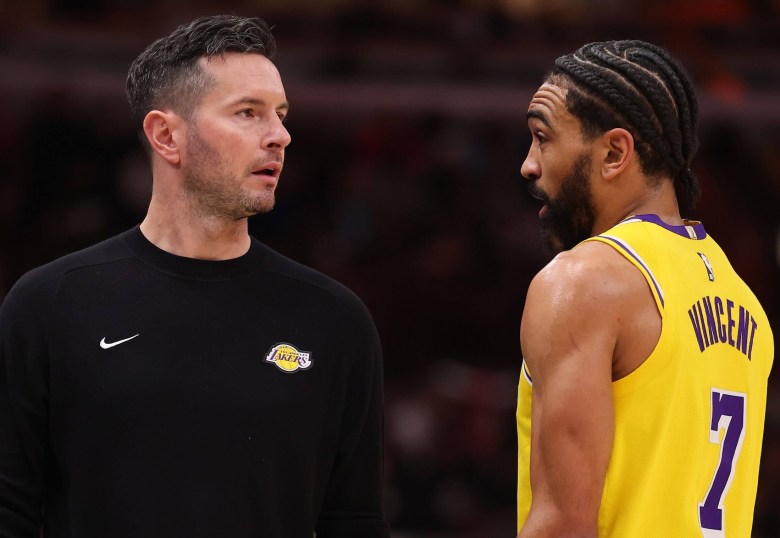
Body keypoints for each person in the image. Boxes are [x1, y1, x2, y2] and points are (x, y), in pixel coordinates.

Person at [0, 15, 390, 538]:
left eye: (281, 114)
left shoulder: (335, 319)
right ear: (166, 135)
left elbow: (355, 521)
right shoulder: (48, 304)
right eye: (248, 113)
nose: (280, 136)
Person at [515, 40, 773, 537]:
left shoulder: (583, 281)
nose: (528, 164)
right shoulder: (744, 302)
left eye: (542, 138)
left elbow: (563, 525)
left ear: (615, 152)